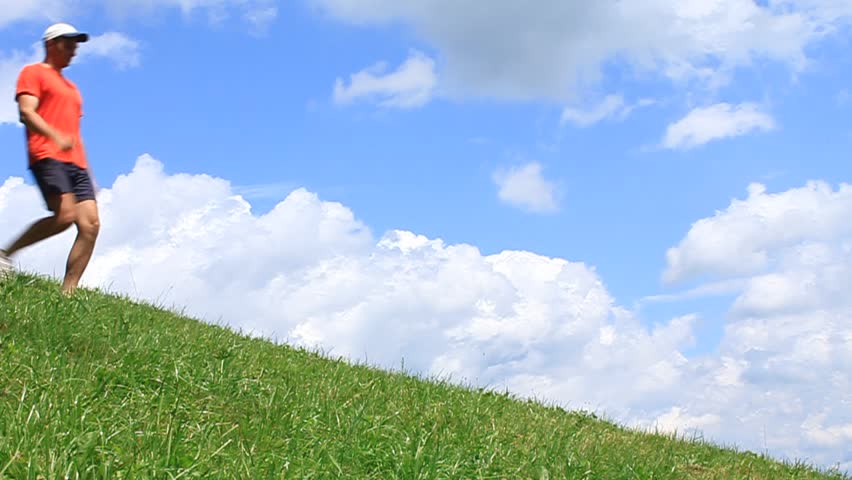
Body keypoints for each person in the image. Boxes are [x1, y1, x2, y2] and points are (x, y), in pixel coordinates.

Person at [0, 23, 100, 295]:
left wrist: (89, 173)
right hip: (46, 154)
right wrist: (54, 136)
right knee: (65, 216)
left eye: (75, 46)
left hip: (76, 163)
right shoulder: (32, 73)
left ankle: (68, 294)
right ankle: (5, 253)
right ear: (51, 44)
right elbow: (26, 112)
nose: (73, 52)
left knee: (90, 224)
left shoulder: (72, 89)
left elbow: (76, 134)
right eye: (68, 45)